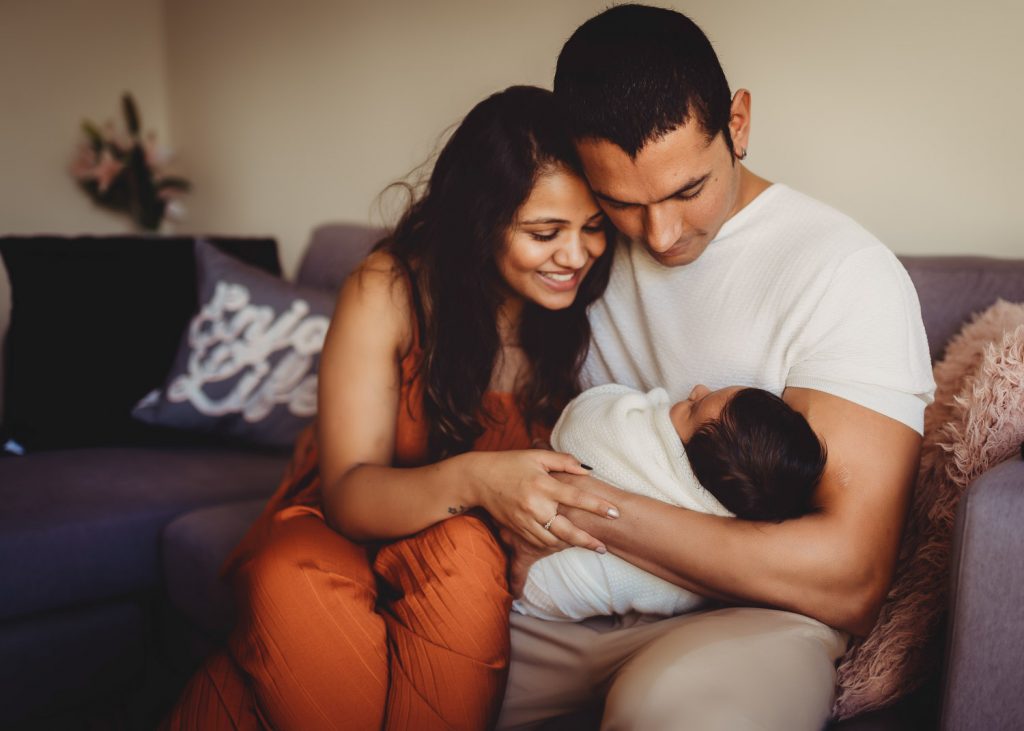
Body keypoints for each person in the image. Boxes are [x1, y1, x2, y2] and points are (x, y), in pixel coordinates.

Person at [496, 6, 936, 731]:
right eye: (624, 203)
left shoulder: (843, 272)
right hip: (566, 594)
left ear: (738, 123)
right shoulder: (578, 247)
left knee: (673, 712)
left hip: (754, 617)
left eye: (686, 190)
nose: (661, 235)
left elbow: (849, 575)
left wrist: (587, 509)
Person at [162, 85, 621, 731]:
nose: (576, 255)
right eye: (545, 232)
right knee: (289, 586)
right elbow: (348, 493)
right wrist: (479, 478)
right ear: (480, 222)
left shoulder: (593, 307)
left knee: (463, 562)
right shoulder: (389, 288)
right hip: (344, 523)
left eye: (593, 227)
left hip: (462, 550)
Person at [513, 383, 827, 621]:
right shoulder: (725, 541)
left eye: (694, 407)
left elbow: (582, 421)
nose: (697, 389)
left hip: (538, 573)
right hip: (547, 591)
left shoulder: (639, 449)